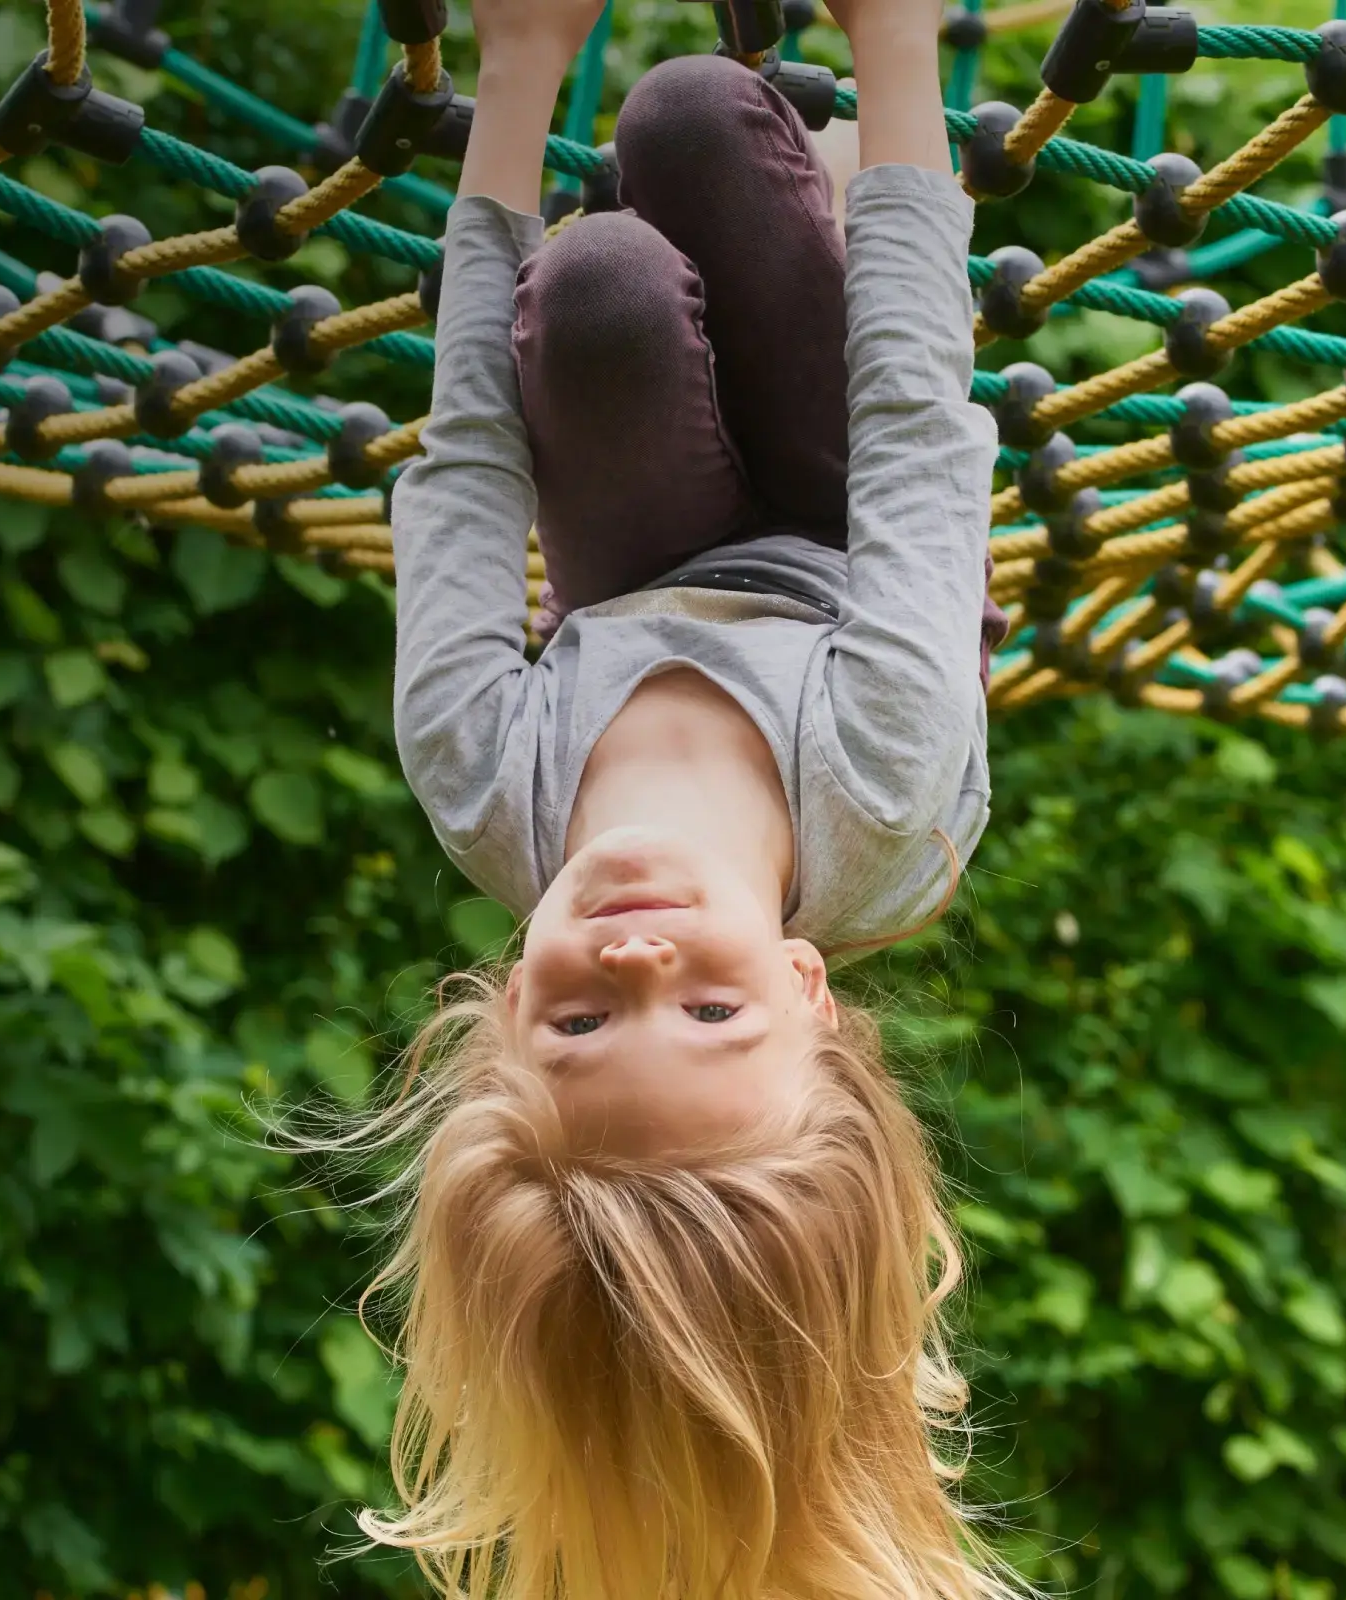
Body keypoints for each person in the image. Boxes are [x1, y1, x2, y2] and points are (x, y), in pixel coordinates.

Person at [346, 0, 1012, 1590]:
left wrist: (511, 75)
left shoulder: (486, 782)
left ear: (510, 1010)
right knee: (695, 118)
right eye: (711, 1018)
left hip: (631, 559)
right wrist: (904, 47)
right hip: (858, 540)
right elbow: (923, 426)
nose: (637, 966)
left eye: (580, 1029)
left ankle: (756, 218)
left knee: (599, 293)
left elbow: (465, 464)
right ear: (809, 993)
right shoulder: (885, 778)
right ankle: (833, 194)